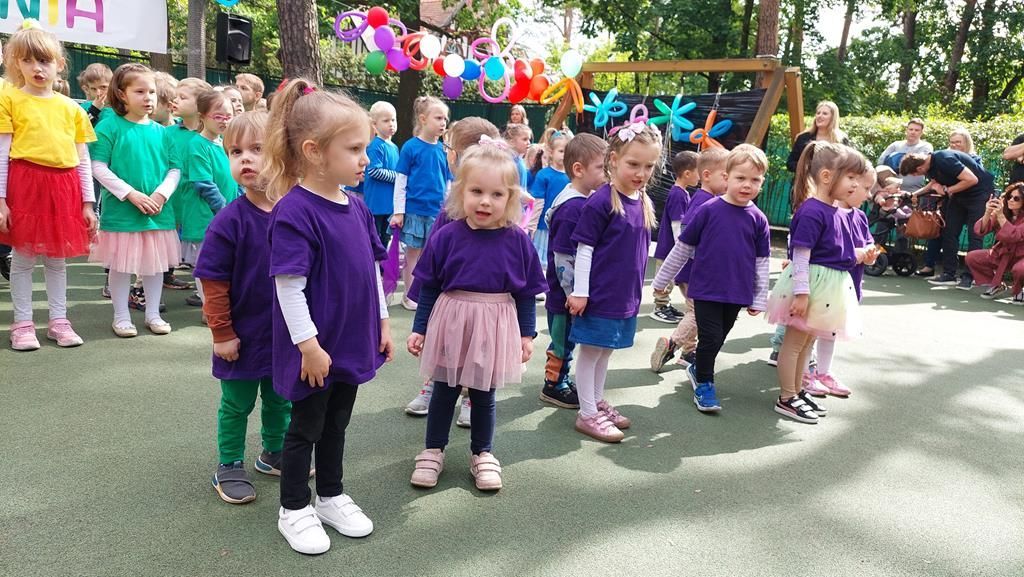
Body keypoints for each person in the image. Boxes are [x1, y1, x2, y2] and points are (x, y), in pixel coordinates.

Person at [264, 79, 392, 555]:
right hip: (314, 350)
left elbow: (372, 271)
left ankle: (331, 496)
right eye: (355, 149)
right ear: (314, 152)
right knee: (305, 428)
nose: (365, 159)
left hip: (350, 341)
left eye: (365, 148)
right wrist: (309, 346)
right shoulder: (295, 211)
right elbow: (288, 287)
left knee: (337, 423)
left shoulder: (356, 206)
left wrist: (382, 322)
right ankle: (294, 507)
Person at [407, 139, 544, 491]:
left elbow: (525, 292)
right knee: (444, 390)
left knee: (484, 393)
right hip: (452, 322)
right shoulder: (447, 236)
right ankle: (433, 450)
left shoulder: (517, 241)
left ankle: (482, 453)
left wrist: (526, 334)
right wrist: (420, 328)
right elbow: (430, 286)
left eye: (496, 194)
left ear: (510, 198)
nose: (485, 201)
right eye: (477, 191)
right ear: (460, 192)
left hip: (494, 325)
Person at [195, 111, 293, 504]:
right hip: (241, 335)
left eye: (257, 149)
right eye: (236, 152)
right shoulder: (228, 221)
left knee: (281, 397)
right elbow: (213, 283)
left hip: (284, 334)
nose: (246, 159)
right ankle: (229, 464)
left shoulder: (294, 212)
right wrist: (222, 333)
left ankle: (274, 452)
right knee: (237, 403)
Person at [652, 144, 771, 414]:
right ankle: (705, 382)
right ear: (727, 177)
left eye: (755, 180)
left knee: (718, 338)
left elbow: (761, 262)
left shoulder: (759, 219)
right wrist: (661, 280)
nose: (747, 185)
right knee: (711, 336)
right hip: (705, 288)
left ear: (762, 182)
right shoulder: (709, 210)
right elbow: (683, 247)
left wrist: (759, 297)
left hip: (736, 292)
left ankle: (698, 368)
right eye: (741, 178)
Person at [0, 22, 97, 350]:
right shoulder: (9, 99)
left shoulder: (72, 109)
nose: (37, 68)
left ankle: (59, 321)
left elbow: (82, 159)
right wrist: (1, 200)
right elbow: (2, 154)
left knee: (57, 259)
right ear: (16, 64)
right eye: (27, 61)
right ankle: (22, 324)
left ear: (59, 63)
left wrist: (88, 203)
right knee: (23, 257)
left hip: (64, 189)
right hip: (25, 185)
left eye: (44, 60)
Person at [566, 121, 661, 443]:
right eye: (634, 164)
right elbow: (584, 249)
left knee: (605, 351)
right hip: (600, 294)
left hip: (624, 295)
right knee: (591, 351)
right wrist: (581, 292)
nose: (641, 173)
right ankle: (587, 413)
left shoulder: (642, 199)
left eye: (649, 166)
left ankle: (596, 401)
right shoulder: (601, 201)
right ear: (614, 160)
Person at [404, 118, 502, 427]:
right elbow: (433, 258)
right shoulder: (451, 210)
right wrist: (424, 303)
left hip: (485, 302)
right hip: (450, 299)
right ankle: (435, 384)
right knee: (445, 346)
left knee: (479, 350)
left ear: (455, 155)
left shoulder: (499, 214)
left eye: (448, 146)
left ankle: (472, 397)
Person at [766, 142, 868, 424]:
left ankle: (797, 390)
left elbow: (838, 252)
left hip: (827, 289)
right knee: (794, 344)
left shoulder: (835, 211)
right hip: (812, 287)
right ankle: (787, 396)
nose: (855, 184)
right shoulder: (812, 211)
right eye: (851, 177)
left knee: (807, 344)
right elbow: (801, 255)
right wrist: (802, 293)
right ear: (826, 176)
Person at [89, 63, 181, 338]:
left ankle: (153, 314)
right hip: (122, 212)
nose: (148, 97)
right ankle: (121, 316)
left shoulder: (163, 132)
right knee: (120, 266)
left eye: (151, 91)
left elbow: (174, 169)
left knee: (154, 265)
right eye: (139, 91)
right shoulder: (109, 126)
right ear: (121, 93)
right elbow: (98, 166)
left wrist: (160, 194)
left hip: (158, 212)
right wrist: (130, 193)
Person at [802, 153, 878, 400]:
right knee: (810, 330)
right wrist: (855, 254)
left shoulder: (860, 216)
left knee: (830, 331)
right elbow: (824, 249)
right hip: (824, 284)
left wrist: (869, 254)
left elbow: (867, 242)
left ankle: (823, 372)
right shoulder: (826, 212)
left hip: (845, 286)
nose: (867, 194)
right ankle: (804, 373)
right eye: (865, 187)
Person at [541, 133, 607, 409]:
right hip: (563, 296)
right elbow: (563, 257)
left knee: (568, 338)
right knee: (562, 341)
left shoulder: (583, 199)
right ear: (579, 169)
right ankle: (554, 384)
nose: (607, 173)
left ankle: (561, 379)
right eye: (602, 168)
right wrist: (572, 293)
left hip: (571, 293)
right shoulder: (572, 207)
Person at [649, 147, 730, 372]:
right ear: (707, 175)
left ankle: (688, 352)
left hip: (694, 269)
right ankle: (673, 343)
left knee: (694, 311)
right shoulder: (704, 201)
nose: (729, 181)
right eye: (725, 175)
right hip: (694, 270)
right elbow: (686, 234)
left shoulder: (707, 199)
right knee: (697, 312)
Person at [390, 95, 452, 311]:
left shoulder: (443, 150)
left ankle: (426, 295)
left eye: (445, 118)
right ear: (423, 119)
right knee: (413, 255)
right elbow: (401, 181)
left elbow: (447, 183)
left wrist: (449, 208)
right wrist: (399, 211)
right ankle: (409, 295)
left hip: (436, 213)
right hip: (415, 212)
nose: (443, 122)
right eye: (438, 118)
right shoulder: (410, 147)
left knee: (431, 256)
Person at [900, 149, 995, 289]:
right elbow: (934, 184)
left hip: (979, 195)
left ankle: (969, 276)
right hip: (959, 196)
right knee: (949, 231)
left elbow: (972, 179)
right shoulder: (930, 167)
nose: (916, 176)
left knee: (975, 234)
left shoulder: (944, 159)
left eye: (914, 174)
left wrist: (946, 190)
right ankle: (949, 273)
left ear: (919, 168)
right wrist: (914, 194)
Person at [181, 90, 238, 306]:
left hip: (226, 213)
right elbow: (204, 183)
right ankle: (208, 306)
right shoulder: (197, 144)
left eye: (228, 116)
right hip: (205, 214)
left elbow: (234, 180)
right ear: (202, 116)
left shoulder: (225, 144)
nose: (224, 121)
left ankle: (221, 304)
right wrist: (224, 211)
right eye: (218, 116)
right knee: (207, 262)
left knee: (226, 260)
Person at [650, 150, 699, 324]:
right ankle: (660, 307)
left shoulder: (683, 193)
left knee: (671, 278)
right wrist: (682, 246)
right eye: (698, 172)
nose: (700, 176)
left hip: (672, 247)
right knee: (666, 278)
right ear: (687, 174)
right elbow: (677, 224)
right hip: (668, 248)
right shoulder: (678, 194)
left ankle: (665, 305)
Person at [966, 182, 1024, 303]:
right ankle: (997, 284)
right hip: (1002, 252)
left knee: (1020, 269)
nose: (1011, 200)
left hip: (1021, 255)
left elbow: (1014, 236)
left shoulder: (1002, 214)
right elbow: (981, 230)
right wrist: (988, 212)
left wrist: (1000, 216)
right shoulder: (1004, 212)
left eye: (1016, 198)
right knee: (972, 257)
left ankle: (1019, 289)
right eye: (1009, 197)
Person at [528, 129, 570, 271]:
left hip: (564, 225)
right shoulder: (544, 175)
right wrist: (532, 225)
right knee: (540, 261)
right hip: (544, 226)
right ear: (551, 152)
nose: (564, 155)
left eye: (567, 151)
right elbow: (538, 202)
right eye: (561, 151)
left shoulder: (572, 175)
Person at [363, 101, 399, 247]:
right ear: (374, 124)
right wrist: (397, 177)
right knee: (374, 237)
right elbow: (373, 171)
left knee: (385, 238)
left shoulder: (394, 147)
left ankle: (383, 262)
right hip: (376, 203)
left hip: (389, 203)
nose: (391, 124)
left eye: (393, 120)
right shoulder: (375, 146)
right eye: (386, 121)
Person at [786, 101, 849, 172]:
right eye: (818, 113)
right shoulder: (803, 138)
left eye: (825, 113)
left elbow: (848, 164)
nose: (819, 116)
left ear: (833, 118)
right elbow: (790, 163)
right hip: (806, 178)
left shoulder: (841, 139)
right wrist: (808, 168)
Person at [878, 118, 932, 192]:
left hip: (915, 190)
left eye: (916, 130)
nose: (913, 132)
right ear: (906, 130)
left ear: (921, 132)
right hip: (893, 190)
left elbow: (919, 163)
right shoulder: (895, 145)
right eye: (911, 129)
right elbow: (881, 162)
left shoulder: (926, 146)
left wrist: (896, 160)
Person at [76, 62, 114, 126]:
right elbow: (80, 127)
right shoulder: (83, 108)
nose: (98, 93)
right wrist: (94, 110)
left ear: (112, 86)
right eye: (93, 89)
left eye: (103, 87)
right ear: (87, 89)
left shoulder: (121, 109)